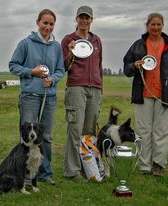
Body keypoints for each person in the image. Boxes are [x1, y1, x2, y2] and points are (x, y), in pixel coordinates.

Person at [123, 13, 168, 176]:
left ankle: (158, 165)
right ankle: (144, 166)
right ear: (147, 26)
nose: (155, 27)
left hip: (166, 96)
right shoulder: (138, 46)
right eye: (152, 24)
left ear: (162, 26)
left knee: (162, 131)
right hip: (143, 95)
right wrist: (135, 65)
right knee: (143, 131)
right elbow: (126, 68)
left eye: (158, 24)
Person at [9, 9, 65, 185]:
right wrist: (30, 72)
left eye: (51, 24)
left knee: (46, 137)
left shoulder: (56, 47)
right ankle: (22, 174)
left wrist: (53, 79)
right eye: (45, 23)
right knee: (26, 137)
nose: (48, 27)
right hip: (30, 97)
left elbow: (60, 70)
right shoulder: (25, 43)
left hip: (49, 97)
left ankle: (44, 174)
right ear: (38, 22)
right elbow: (13, 65)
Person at [61, 5, 103, 181]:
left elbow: (99, 66)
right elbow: (63, 67)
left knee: (88, 131)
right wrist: (70, 53)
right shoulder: (68, 40)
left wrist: (101, 88)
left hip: (95, 88)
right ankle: (72, 171)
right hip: (76, 87)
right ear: (76, 19)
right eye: (81, 17)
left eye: (87, 18)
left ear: (91, 20)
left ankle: (88, 167)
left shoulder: (97, 41)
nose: (84, 21)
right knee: (75, 128)